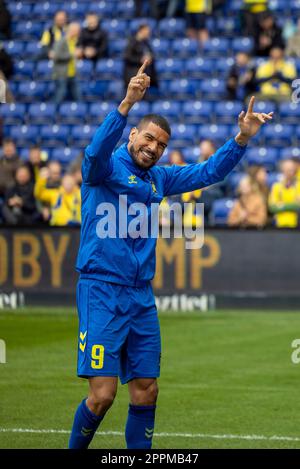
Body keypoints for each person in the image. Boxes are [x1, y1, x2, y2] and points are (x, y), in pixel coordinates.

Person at [68, 59, 273, 449]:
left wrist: (241, 139)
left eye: (161, 144)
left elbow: (209, 172)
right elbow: (93, 155)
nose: (153, 147)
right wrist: (126, 103)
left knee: (147, 390)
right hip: (102, 290)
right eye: (148, 139)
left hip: (140, 296)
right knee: (103, 396)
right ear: (133, 135)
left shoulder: (160, 177)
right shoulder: (104, 168)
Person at [51, 22, 82, 104]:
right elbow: (56, 56)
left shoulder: (75, 41)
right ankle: (53, 112)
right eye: (77, 31)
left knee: (78, 95)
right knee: (60, 95)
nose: (79, 32)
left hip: (73, 73)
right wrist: (72, 55)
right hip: (62, 74)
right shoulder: (61, 41)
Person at [124, 24, 158, 91]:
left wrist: (150, 58)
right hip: (134, 75)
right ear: (141, 30)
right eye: (147, 31)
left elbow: (152, 54)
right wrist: (140, 59)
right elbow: (127, 57)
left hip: (145, 76)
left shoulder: (146, 43)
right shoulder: (132, 42)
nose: (149, 33)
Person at [269, 159, 300, 228]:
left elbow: (299, 206)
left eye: (291, 170)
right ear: (282, 170)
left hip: (296, 226)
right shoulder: (276, 186)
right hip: (279, 226)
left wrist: (282, 205)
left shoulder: (298, 186)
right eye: (287, 170)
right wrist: (293, 205)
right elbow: (272, 207)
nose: (289, 172)